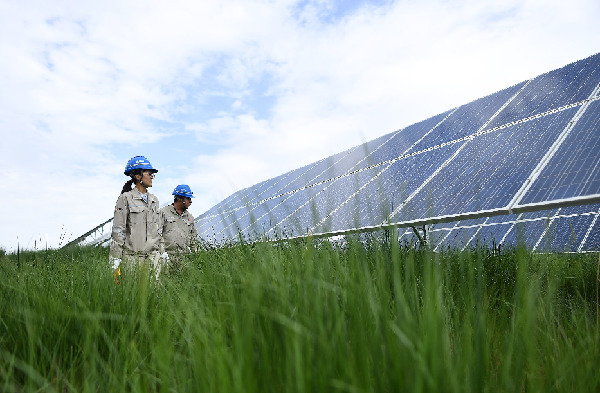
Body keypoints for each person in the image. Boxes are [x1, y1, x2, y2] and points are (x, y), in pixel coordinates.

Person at [109, 155, 166, 281]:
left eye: (153, 174)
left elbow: (158, 230)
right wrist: (115, 258)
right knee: (133, 297)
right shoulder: (125, 198)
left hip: (153, 259)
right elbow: (118, 231)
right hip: (133, 260)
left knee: (154, 297)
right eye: (149, 173)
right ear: (138, 176)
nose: (152, 177)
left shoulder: (154, 200)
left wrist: (163, 251)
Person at [160, 185, 199, 263]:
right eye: (188, 198)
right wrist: (162, 253)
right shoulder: (163, 213)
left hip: (184, 259)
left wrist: (196, 256)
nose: (190, 201)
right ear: (180, 198)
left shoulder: (190, 217)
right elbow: (155, 235)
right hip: (167, 258)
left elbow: (193, 239)